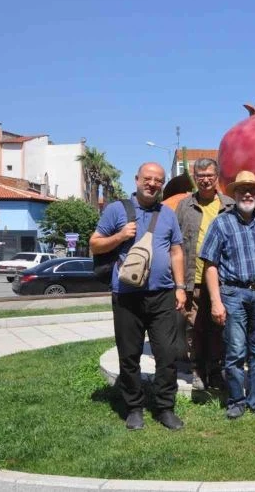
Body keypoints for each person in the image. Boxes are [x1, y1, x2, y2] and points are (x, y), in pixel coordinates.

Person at [89, 162, 186, 430]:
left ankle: (165, 408)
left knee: (167, 354)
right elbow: (94, 244)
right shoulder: (116, 210)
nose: (152, 184)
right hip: (126, 296)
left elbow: (176, 251)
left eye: (158, 180)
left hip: (163, 294)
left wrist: (180, 287)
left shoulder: (167, 213)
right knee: (129, 354)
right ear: (137, 179)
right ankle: (134, 408)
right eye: (148, 178)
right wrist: (120, 236)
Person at [199, 171, 255, 419]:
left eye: (252, 190)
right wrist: (216, 301)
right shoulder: (221, 223)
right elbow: (210, 265)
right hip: (233, 294)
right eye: (242, 190)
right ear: (235, 194)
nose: (248, 194)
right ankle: (236, 401)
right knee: (235, 351)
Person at [175, 158, 235, 391]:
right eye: (200, 176)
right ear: (195, 178)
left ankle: (216, 370)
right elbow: (175, 243)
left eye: (210, 175)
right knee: (194, 327)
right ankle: (198, 370)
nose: (205, 180)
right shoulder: (184, 206)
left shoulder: (229, 206)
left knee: (220, 327)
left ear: (217, 177)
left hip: (223, 280)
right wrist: (179, 283)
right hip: (194, 279)